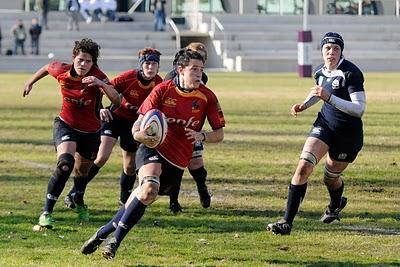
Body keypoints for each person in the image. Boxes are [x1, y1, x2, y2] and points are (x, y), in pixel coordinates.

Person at [80, 49, 225, 259]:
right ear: (180, 70)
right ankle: (114, 243)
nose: (199, 75)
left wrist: (202, 136)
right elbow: (138, 124)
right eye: (194, 69)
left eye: (201, 70)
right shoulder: (162, 90)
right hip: (153, 148)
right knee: (148, 189)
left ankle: (102, 233)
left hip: (178, 160)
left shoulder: (207, 97)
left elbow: (219, 134)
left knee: (140, 197)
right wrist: (141, 136)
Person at [267, 32, 366, 235]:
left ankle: (335, 203)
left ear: (341, 51)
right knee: (303, 167)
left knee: (330, 178)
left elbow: (359, 109)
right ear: (321, 51)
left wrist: (329, 98)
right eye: (327, 49)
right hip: (325, 125)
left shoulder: (351, 73)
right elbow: (319, 92)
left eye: (336, 49)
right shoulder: (319, 71)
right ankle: (286, 222)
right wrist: (304, 105)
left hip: (348, 134)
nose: (331, 52)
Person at [23, 38, 121, 229]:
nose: (84, 64)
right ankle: (47, 212)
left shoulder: (97, 76)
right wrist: (30, 82)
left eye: (88, 61)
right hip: (66, 124)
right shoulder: (61, 70)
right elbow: (46, 67)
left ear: (93, 63)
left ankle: (78, 198)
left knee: (82, 172)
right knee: (65, 164)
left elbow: (116, 99)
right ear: (74, 57)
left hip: (91, 131)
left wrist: (100, 83)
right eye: (81, 59)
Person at [64, 48, 163, 210]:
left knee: (130, 166)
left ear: (158, 66)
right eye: (147, 63)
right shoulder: (129, 77)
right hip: (114, 119)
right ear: (141, 65)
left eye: (154, 64)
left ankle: (124, 201)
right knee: (102, 157)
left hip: (135, 126)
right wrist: (101, 108)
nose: (150, 68)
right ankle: (75, 191)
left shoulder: (159, 84)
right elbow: (103, 88)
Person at [164, 42, 211, 214]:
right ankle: (173, 201)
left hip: (191, 128)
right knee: (176, 166)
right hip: (172, 130)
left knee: (197, 163)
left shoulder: (202, 78)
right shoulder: (170, 78)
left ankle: (202, 187)